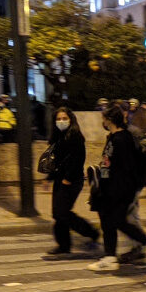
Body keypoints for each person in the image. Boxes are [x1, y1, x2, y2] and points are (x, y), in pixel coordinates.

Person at [87, 105, 146, 272]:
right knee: (109, 222)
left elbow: (124, 168)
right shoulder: (113, 137)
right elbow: (109, 162)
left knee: (117, 221)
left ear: (109, 120)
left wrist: (116, 190)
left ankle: (145, 242)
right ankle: (110, 256)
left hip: (118, 189)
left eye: (104, 118)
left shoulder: (122, 139)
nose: (102, 121)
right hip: (110, 188)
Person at [44, 107, 99, 258]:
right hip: (60, 178)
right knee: (58, 213)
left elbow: (78, 159)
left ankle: (91, 232)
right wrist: (49, 178)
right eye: (58, 119)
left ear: (70, 119)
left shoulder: (75, 136)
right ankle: (64, 245)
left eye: (64, 118)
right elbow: (56, 161)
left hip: (72, 180)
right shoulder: (58, 136)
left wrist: (68, 178)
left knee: (62, 213)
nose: (61, 121)